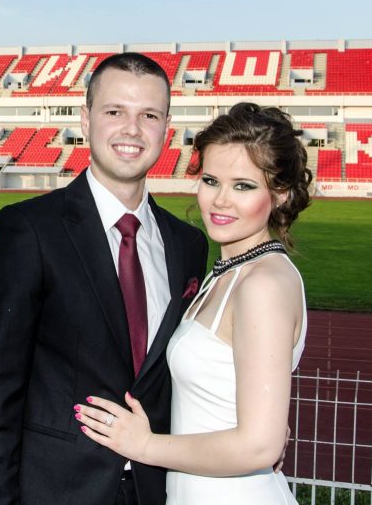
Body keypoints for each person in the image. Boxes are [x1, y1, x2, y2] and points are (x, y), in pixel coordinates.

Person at [0, 53, 209, 505]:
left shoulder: (188, 244)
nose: (132, 130)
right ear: (86, 118)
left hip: (159, 491)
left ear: (167, 129)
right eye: (115, 111)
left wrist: (251, 432)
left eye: (149, 115)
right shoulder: (30, 230)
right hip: (56, 491)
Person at [77, 102, 313, 503]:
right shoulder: (227, 272)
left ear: (280, 195)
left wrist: (144, 445)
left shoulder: (264, 284)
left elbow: (260, 446)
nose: (221, 200)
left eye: (243, 186)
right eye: (211, 180)